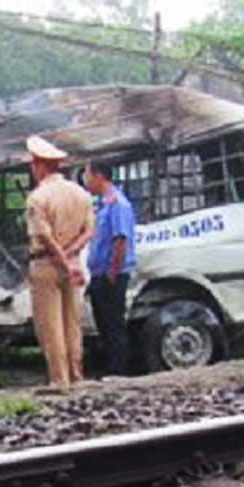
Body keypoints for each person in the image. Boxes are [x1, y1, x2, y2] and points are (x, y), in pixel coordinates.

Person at [23, 135, 95, 388]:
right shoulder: (81, 194)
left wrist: (61, 260)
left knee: (50, 326)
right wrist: (71, 258)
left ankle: (58, 379)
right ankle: (76, 376)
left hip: (46, 265)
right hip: (73, 265)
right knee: (72, 324)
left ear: (39, 165)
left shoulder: (37, 198)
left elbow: (44, 236)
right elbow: (89, 232)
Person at [83, 160, 137, 377]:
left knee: (113, 322)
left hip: (111, 273)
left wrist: (112, 272)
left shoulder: (118, 204)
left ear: (99, 176)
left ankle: (118, 370)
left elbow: (120, 240)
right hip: (99, 272)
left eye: (87, 175)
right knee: (103, 322)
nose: (85, 180)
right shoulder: (104, 204)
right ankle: (110, 366)